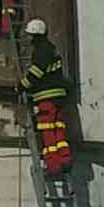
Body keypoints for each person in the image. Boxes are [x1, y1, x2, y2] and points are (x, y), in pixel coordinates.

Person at [20, 18, 71, 176]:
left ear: (36, 36)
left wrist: (21, 86)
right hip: (59, 97)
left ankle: (54, 166)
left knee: (47, 131)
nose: (29, 39)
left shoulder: (41, 51)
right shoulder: (52, 49)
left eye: (30, 35)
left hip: (46, 97)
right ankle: (65, 159)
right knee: (59, 129)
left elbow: (36, 73)